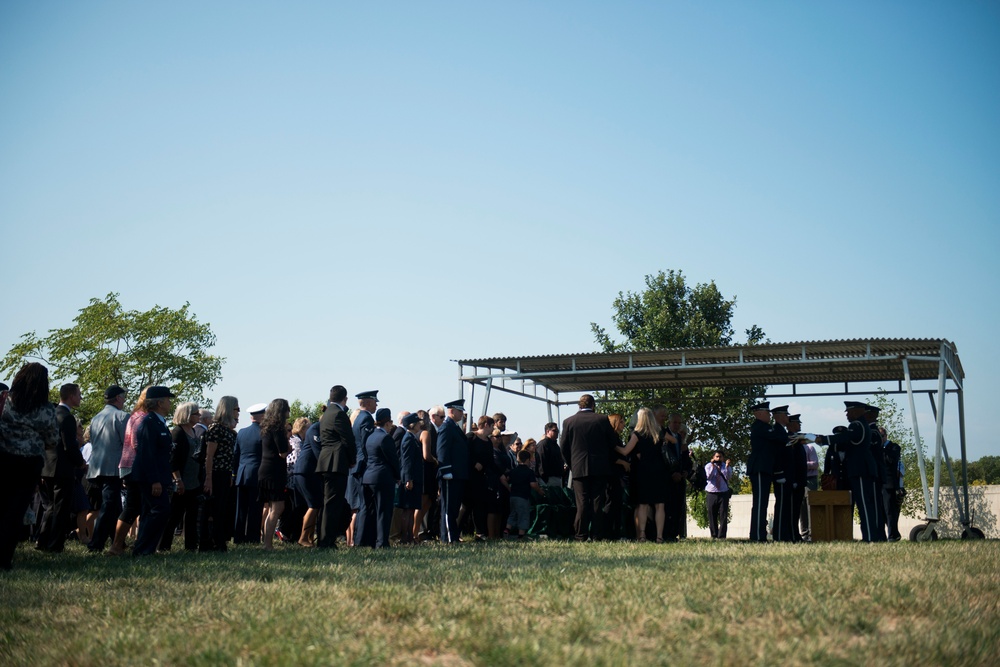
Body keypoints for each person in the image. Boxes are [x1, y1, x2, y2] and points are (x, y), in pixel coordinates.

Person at [0, 363, 58, 570]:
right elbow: (52, 440)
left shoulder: (7, 401)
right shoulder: (45, 409)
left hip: (4, 458)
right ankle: (4, 559)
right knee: (16, 512)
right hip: (29, 463)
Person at [815, 402, 882, 543]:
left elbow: (843, 438)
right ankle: (870, 536)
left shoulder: (857, 425)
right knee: (865, 505)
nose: (847, 414)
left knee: (864, 504)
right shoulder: (861, 425)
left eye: (849, 411)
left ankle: (870, 537)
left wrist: (823, 439)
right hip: (861, 469)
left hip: (860, 469)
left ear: (856, 411)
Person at [559, 394, 620, 542]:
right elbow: (613, 442)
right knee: (597, 502)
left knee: (581, 503)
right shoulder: (602, 419)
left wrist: (572, 464)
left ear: (579, 405)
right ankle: (596, 535)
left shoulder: (569, 421)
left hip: (579, 468)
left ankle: (580, 535)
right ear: (593, 405)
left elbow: (563, 447)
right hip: (599, 468)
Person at [37, 383, 86, 553]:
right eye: (79, 394)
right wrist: (80, 462)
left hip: (47, 467)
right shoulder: (67, 417)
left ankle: (42, 539)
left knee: (51, 506)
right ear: (71, 396)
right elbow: (70, 445)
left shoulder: (51, 414)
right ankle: (55, 544)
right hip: (62, 468)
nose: (80, 397)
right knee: (61, 508)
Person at [131, 386, 176, 556]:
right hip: (151, 477)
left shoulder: (159, 422)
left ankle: (144, 549)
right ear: (159, 402)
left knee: (152, 512)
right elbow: (147, 454)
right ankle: (143, 549)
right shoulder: (149, 423)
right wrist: (154, 480)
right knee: (159, 510)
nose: (170, 403)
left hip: (158, 474)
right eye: (167, 399)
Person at [85, 385, 128, 553]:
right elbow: (128, 443)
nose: (124, 400)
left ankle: (118, 542)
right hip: (113, 467)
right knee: (109, 505)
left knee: (114, 505)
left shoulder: (96, 417)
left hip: (96, 466)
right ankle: (96, 543)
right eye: (123, 397)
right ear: (117, 398)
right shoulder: (122, 417)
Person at [617, 407, 670, 542]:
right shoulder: (659, 432)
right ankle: (659, 536)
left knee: (643, 504)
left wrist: (613, 445)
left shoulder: (637, 434)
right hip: (659, 470)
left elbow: (625, 451)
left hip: (643, 471)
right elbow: (675, 440)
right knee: (660, 505)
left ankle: (641, 535)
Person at [108, 387, 149, 556]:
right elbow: (138, 444)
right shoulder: (142, 418)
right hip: (136, 466)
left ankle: (123, 544)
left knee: (136, 506)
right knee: (133, 507)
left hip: (129, 466)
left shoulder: (135, 416)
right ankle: (117, 545)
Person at [160, 402, 203, 551]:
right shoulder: (178, 432)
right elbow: (173, 459)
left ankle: (190, 546)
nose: (199, 416)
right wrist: (178, 479)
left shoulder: (192, 430)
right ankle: (164, 545)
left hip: (193, 480)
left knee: (192, 514)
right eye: (196, 413)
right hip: (181, 479)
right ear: (187, 415)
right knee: (174, 515)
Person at [316, 385, 355, 549]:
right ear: (345, 399)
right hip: (336, 462)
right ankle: (327, 541)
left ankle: (323, 538)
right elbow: (348, 440)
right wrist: (352, 459)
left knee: (326, 504)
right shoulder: (339, 414)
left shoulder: (326, 414)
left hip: (325, 461)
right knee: (334, 504)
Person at [199, 396, 240, 552]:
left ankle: (219, 541)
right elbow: (209, 456)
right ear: (229, 409)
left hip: (224, 473)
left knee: (221, 509)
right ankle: (209, 542)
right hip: (214, 473)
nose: (239, 412)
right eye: (237, 409)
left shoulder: (227, 429)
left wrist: (229, 474)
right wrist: (208, 478)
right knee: (212, 509)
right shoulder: (215, 428)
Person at [357, 408, 401, 548]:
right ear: (387, 423)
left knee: (368, 511)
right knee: (383, 511)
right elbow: (393, 459)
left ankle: (365, 540)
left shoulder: (370, 436)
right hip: (382, 477)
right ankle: (382, 542)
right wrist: (398, 476)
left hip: (368, 477)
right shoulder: (385, 438)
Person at [747, 401, 788, 543]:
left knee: (762, 502)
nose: (769, 415)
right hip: (759, 467)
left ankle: (759, 534)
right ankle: (757, 535)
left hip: (765, 468)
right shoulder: (760, 427)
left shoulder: (765, 427)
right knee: (759, 503)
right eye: (766, 412)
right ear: (758, 413)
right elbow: (780, 437)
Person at [258, 399, 291, 550]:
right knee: (277, 508)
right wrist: (289, 447)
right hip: (274, 471)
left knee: (271, 508)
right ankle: (267, 544)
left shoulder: (265, 427)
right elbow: (283, 452)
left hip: (265, 469)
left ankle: (267, 542)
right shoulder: (278, 428)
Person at [437, 399, 470, 544]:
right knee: (448, 508)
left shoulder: (454, 427)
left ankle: (453, 536)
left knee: (454, 507)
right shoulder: (446, 427)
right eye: (460, 410)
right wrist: (445, 470)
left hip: (458, 474)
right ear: (451, 411)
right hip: (450, 474)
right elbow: (442, 450)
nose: (462, 413)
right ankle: (448, 538)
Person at [233, 403, 266, 544]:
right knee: (255, 508)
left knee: (240, 508)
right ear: (263, 416)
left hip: (242, 473)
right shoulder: (264, 433)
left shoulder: (241, 432)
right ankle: (252, 538)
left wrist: (235, 473)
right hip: (257, 473)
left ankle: (238, 536)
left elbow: (236, 454)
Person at [348, 390, 377, 546]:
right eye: (374, 402)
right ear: (367, 403)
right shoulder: (366, 419)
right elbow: (367, 445)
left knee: (363, 504)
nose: (376, 405)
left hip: (359, 465)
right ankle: (363, 540)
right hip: (364, 465)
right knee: (366, 504)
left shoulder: (359, 418)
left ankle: (361, 539)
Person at [662, 411, 692, 542]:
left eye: (679, 423)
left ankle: (674, 534)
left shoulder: (679, 438)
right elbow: (663, 457)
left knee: (677, 507)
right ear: (669, 422)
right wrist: (671, 473)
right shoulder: (663, 434)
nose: (677, 425)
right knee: (667, 507)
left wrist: (685, 471)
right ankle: (666, 533)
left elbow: (682, 459)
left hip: (679, 478)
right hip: (667, 478)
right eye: (675, 422)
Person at [289, 416, 318, 547]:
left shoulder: (304, 440)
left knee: (310, 505)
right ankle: (304, 537)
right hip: (306, 472)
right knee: (314, 504)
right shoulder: (301, 440)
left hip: (300, 472)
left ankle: (308, 537)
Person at [396, 412, 424, 543]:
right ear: (412, 425)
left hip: (413, 478)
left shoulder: (412, 438)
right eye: (418, 423)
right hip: (410, 479)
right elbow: (406, 461)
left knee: (411, 509)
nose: (420, 425)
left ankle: (409, 537)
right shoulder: (408, 439)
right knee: (408, 510)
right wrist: (408, 479)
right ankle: (406, 538)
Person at [416, 408, 440, 542]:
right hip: (426, 470)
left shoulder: (416, 433)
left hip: (424, 470)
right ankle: (416, 533)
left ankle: (415, 532)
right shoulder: (425, 433)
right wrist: (435, 460)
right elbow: (427, 455)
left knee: (426, 503)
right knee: (423, 503)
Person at [506, 449, 542, 539]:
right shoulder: (529, 472)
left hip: (513, 496)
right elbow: (533, 484)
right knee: (523, 515)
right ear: (527, 460)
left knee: (513, 514)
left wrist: (508, 487)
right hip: (523, 497)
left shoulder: (514, 470)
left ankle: (506, 530)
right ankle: (521, 535)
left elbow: (506, 479)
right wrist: (540, 491)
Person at [881, 426, 905, 541]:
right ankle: (892, 534)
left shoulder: (894, 447)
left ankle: (892, 536)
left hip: (889, 485)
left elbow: (890, 461)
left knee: (890, 511)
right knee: (881, 512)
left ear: (886, 436)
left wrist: (880, 449)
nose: (880, 439)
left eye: (881, 436)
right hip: (878, 484)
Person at [705, 450, 732, 539]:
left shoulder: (726, 466)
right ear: (713, 458)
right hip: (711, 493)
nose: (718, 458)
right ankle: (714, 535)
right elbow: (708, 477)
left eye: (720, 457)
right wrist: (713, 466)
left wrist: (727, 467)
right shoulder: (708, 466)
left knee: (723, 515)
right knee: (712, 515)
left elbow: (728, 477)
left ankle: (722, 536)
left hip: (723, 493)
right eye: (716, 457)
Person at [536, 423, 566, 488]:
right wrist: (545, 479)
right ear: (548, 431)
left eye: (557, 431)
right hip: (549, 478)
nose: (557, 432)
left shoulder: (556, 445)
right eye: (554, 431)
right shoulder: (543, 444)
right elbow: (541, 462)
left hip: (557, 477)